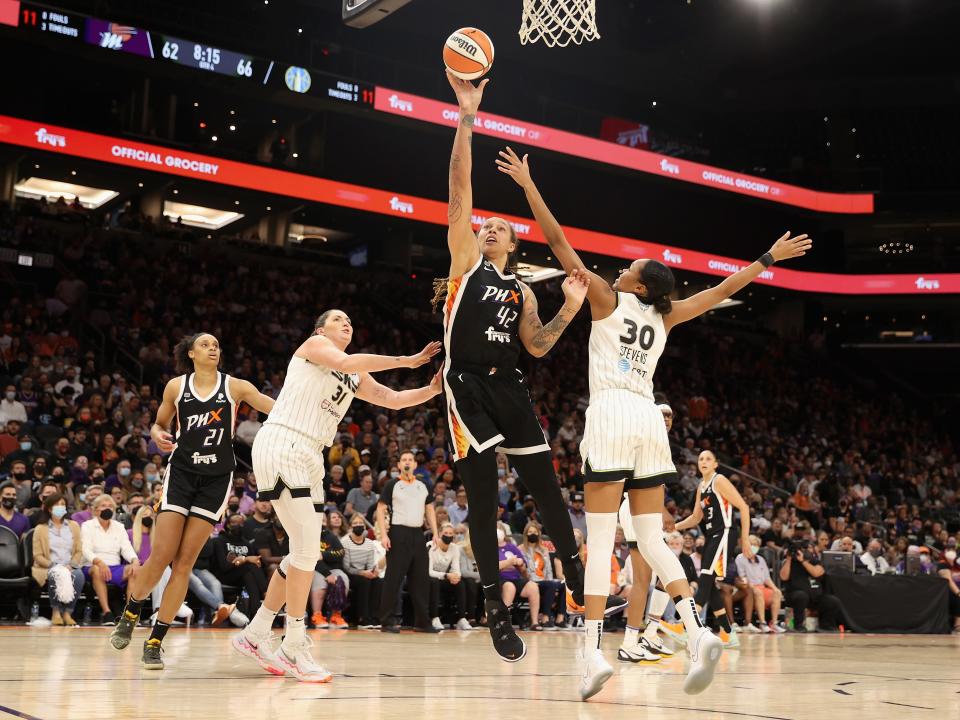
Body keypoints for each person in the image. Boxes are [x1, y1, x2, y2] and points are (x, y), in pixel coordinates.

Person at [496, 142, 812, 698]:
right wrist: (766, 259)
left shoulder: (605, 299)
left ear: (639, 284)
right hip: (650, 419)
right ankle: (695, 632)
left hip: (614, 412)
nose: (621, 269)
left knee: (598, 537)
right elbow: (718, 292)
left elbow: (556, 239)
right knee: (651, 537)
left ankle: (592, 651)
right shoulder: (667, 315)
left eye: (630, 268)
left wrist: (527, 185)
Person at [433, 72, 588, 663]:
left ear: (513, 244)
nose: (488, 225)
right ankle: (495, 611)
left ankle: (574, 577)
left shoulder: (522, 290)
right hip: (465, 384)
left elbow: (540, 346)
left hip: (510, 385)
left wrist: (569, 309)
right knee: (484, 501)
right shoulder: (466, 260)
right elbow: (459, 188)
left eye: (499, 226)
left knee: (546, 485)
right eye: (485, 223)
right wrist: (467, 116)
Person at [233, 309, 441, 683]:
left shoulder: (353, 372)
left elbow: (390, 398)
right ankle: (294, 644)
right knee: (307, 551)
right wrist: (407, 360)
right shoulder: (316, 345)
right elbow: (345, 360)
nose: (346, 323)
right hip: (285, 440)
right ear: (320, 329)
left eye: (349, 321)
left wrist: (431, 390)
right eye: (338, 320)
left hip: (312, 452)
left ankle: (256, 632)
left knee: (302, 551)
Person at [110, 332, 275, 670]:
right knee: (161, 556)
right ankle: (131, 610)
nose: (213, 348)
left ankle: (155, 641)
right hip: (182, 474)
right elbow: (158, 424)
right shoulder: (175, 387)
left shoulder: (235, 386)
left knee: (184, 563)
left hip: (216, 480)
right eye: (205, 344)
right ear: (190, 353)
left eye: (216, 344)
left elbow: (275, 407)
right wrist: (158, 435)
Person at [675, 451, 753, 649]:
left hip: (725, 532)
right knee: (709, 587)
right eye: (700, 459)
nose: (703, 462)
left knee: (705, 579)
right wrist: (673, 527)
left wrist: (745, 539)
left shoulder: (719, 481)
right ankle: (728, 633)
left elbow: (743, 507)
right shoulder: (701, 486)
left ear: (716, 464)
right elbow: (695, 518)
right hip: (712, 536)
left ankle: (686, 628)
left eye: (708, 458)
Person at [377, 450, 440, 632]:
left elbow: (429, 509)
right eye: (403, 460)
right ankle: (387, 621)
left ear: (414, 464)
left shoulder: (422, 485)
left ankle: (422, 622)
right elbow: (381, 509)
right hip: (398, 533)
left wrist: (435, 532)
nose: (406, 462)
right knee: (393, 579)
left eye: (410, 460)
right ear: (399, 465)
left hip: (418, 534)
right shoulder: (392, 484)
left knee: (420, 579)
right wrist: (384, 535)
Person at [81, 494, 140, 625]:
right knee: (97, 570)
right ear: (95, 510)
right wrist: (99, 562)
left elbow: (126, 548)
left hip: (114, 567)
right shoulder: (87, 526)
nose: (107, 508)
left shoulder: (119, 526)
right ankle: (107, 612)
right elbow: (86, 550)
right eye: (103, 506)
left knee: (134, 570)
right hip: (93, 566)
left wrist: (135, 560)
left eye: (110, 506)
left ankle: (130, 614)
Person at [31, 492, 84, 626]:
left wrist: (71, 565)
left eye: (63, 504)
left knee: (79, 575)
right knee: (56, 574)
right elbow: (37, 556)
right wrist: (55, 565)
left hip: (70, 565)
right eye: (57, 505)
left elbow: (78, 551)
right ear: (49, 508)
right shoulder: (40, 529)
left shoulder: (74, 526)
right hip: (49, 566)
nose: (60, 507)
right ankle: (55, 612)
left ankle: (67, 613)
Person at [780, 538, 843, 631]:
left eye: (809, 548)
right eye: (804, 548)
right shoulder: (790, 562)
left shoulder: (815, 561)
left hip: (815, 597)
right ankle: (799, 625)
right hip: (795, 596)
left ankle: (826, 625)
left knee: (833, 601)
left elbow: (817, 573)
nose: (807, 551)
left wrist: (803, 561)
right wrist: (789, 558)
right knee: (801, 596)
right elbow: (783, 577)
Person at [734, 535, 785, 633]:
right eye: (752, 544)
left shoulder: (761, 559)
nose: (754, 546)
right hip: (749, 588)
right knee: (758, 592)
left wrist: (775, 588)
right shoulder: (740, 558)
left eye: (756, 545)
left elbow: (766, 578)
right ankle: (762, 623)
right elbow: (742, 577)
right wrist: (752, 587)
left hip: (762, 587)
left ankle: (774, 623)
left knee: (777, 593)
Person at [429, 521, 473, 630]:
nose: (448, 536)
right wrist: (447, 575)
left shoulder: (454, 548)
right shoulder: (431, 546)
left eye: (450, 533)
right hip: (430, 579)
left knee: (460, 583)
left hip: (444, 578)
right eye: (446, 533)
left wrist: (455, 576)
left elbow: (456, 569)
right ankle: (434, 618)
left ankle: (461, 619)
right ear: (439, 534)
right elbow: (428, 571)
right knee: (434, 582)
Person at [519, 522, 564, 630]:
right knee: (551, 585)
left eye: (535, 532)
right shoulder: (520, 549)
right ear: (526, 534)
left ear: (539, 534)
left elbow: (548, 569)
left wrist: (550, 580)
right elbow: (524, 571)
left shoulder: (544, 550)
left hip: (544, 580)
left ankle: (560, 618)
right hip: (530, 581)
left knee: (564, 585)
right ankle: (545, 616)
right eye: (530, 532)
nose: (532, 534)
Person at [343, 513, 382, 629]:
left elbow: (370, 565)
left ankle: (374, 617)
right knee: (364, 581)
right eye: (355, 523)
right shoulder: (345, 542)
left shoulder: (369, 543)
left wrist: (372, 572)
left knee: (378, 581)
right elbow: (346, 567)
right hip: (351, 573)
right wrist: (362, 573)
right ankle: (362, 618)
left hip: (364, 573)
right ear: (350, 527)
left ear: (365, 527)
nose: (358, 525)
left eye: (361, 523)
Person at [310, 512, 348, 629]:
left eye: (323, 519)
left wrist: (324, 555)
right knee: (320, 583)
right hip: (316, 569)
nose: (321, 521)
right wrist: (327, 574)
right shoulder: (309, 536)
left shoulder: (330, 536)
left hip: (333, 568)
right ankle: (317, 616)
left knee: (343, 579)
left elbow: (341, 553)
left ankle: (336, 616)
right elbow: (313, 558)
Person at [498, 527, 540, 629]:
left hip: (516, 577)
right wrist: (511, 562)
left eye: (500, 529)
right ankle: (504, 622)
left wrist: (520, 565)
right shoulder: (489, 548)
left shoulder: (512, 547)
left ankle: (534, 622)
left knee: (533, 586)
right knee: (510, 587)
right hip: (499, 579)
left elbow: (522, 566)